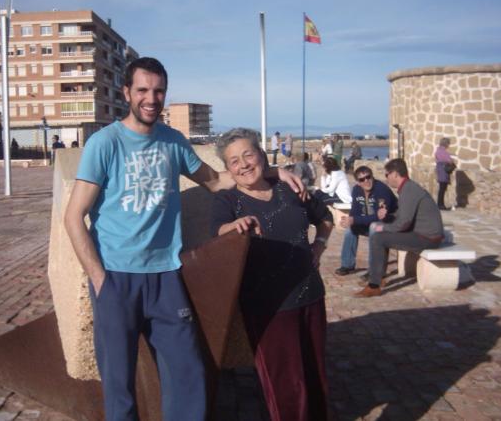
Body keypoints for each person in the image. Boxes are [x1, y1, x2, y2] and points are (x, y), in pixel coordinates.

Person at [64, 57, 305, 421]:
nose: (151, 99)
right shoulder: (105, 143)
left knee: (187, 374)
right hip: (116, 277)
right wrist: (100, 280)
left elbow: (217, 181)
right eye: (142, 90)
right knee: (119, 383)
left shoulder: (173, 142)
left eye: (158, 91)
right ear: (126, 92)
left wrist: (272, 171)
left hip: (166, 276)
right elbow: (73, 217)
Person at [210, 127, 332, 421]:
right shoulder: (227, 202)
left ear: (262, 156)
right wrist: (235, 227)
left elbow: (325, 218)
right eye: (234, 161)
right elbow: (217, 232)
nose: (243, 165)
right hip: (267, 307)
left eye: (248, 155)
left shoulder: (289, 188)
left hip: (310, 296)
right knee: (285, 386)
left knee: (315, 375)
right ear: (228, 169)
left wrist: (319, 245)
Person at [355, 158, 444, 298]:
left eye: (387, 175)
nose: (386, 178)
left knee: (378, 237)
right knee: (380, 233)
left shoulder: (409, 190)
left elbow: (404, 223)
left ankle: (374, 286)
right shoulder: (408, 187)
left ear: (395, 174)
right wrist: (387, 217)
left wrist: (384, 228)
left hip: (427, 238)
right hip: (422, 233)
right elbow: (403, 215)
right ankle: (378, 277)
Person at [335, 166, 398, 276]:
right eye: (362, 179)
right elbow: (355, 212)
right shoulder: (356, 190)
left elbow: (380, 217)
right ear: (358, 182)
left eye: (368, 177)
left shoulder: (382, 190)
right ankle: (347, 265)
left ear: (372, 177)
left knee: (375, 229)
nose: (366, 181)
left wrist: (354, 219)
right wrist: (349, 220)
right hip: (372, 222)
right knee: (350, 230)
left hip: (391, 224)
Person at [435, 137, 455, 210]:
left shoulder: (438, 150)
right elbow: (449, 161)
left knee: (441, 189)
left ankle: (440, 204)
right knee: (442, 189)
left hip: (440, 170)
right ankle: (441, 205)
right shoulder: (443, 152)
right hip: (443, 171)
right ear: (446, 144)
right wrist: (452, 160)